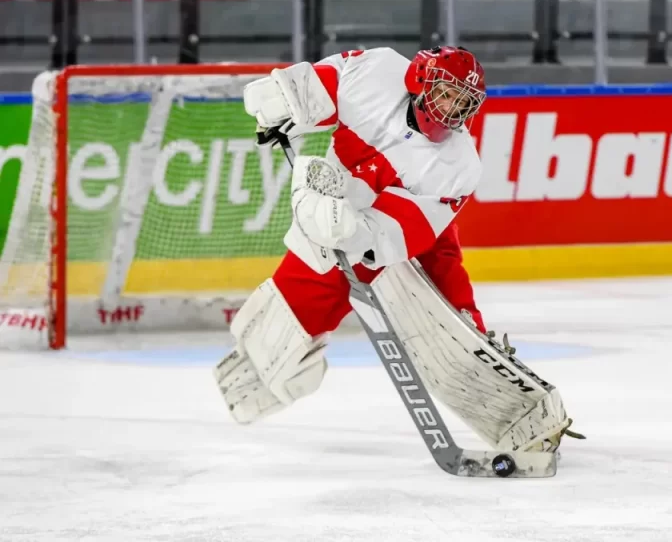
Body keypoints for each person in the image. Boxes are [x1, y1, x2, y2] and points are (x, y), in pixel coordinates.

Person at [212, 45, 579, 445]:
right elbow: (319, 87)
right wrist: (283, 102)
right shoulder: (378, 70)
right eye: (446, 93)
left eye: (463, 102)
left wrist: (349, 232)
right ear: (419, 81)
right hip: (361, 196)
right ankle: (267, 364)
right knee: (304, 293)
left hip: (415, 218)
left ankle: (520, 412)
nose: (452, 108)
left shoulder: (458, 164)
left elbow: (390, 239)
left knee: (449, 321)